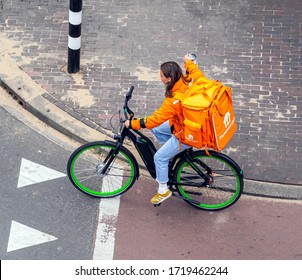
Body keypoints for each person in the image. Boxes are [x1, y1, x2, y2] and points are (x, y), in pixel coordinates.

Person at [125, 54, 205, 205]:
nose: (160, 77)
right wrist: (190, 63)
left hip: (186, 133)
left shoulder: (173, 101)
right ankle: (174, 154)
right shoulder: (186, 80)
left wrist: (132, 123)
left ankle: (163, 190)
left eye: (161, 75)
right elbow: (197, 74)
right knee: (158, 130)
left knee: (159, 158)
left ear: (169, 78)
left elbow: (154, 120)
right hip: (185, 123)